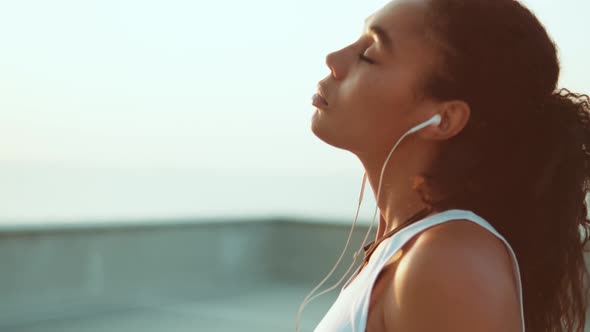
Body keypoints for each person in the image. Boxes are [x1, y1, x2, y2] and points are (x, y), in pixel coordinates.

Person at [301, 0, 590, 331]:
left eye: (369, 54)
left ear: (443, 119)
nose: (334, 59)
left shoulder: (449, 261)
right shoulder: (417, 247)